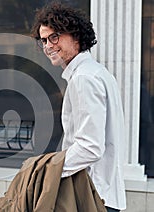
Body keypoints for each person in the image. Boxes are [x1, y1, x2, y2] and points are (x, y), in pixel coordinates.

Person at [31, 2, 126, 211]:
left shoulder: (84, 78)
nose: (48, 46)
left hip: (91, 195)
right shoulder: (96, 72)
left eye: (54, 37)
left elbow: (90, 146)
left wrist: (49, 171)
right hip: (102, 192)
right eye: (44, 40)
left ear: (75, 35)